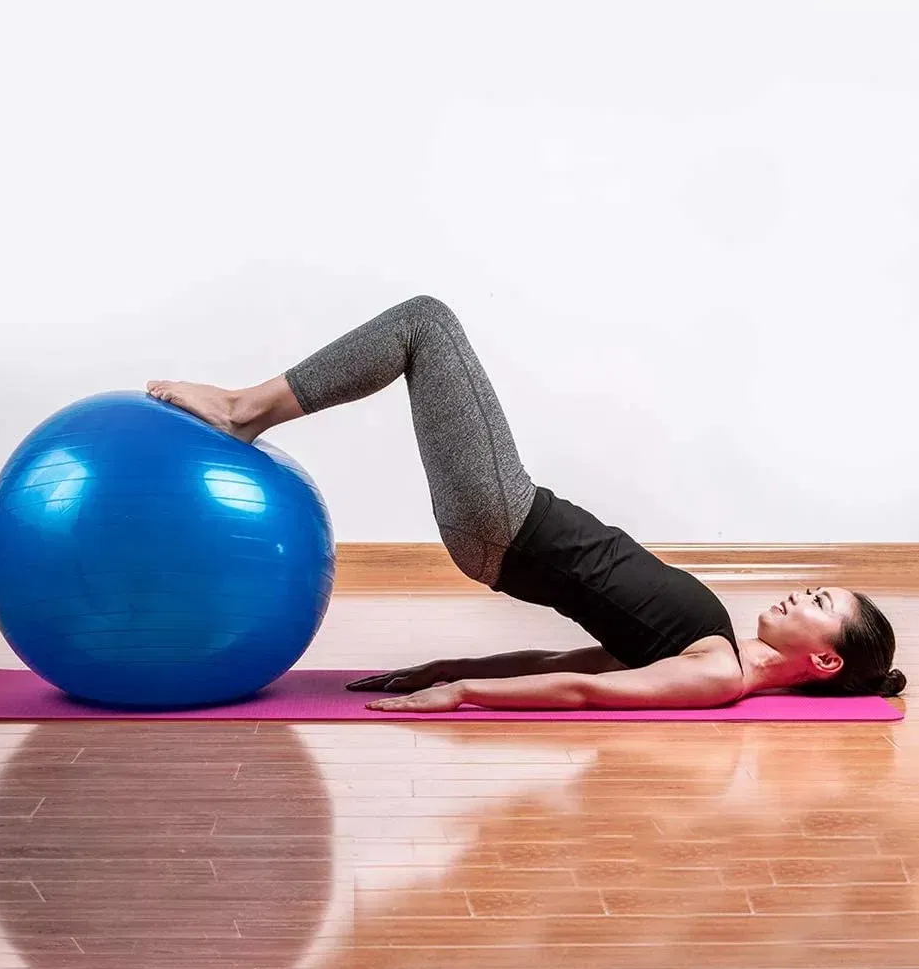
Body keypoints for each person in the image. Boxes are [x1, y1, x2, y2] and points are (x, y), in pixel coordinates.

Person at [147, 295, 906, 713]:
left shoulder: (716, 675)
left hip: (507, 520)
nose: (799, 592)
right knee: (425, 326)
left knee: (426, 323)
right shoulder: (712, 650)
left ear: (825, 657)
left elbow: (585, 692)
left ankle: (246, 409)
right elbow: (567, 660)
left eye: (818, 602)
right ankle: (246, 408)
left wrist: (462, 695)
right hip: (504, 526)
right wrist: (449, 665)